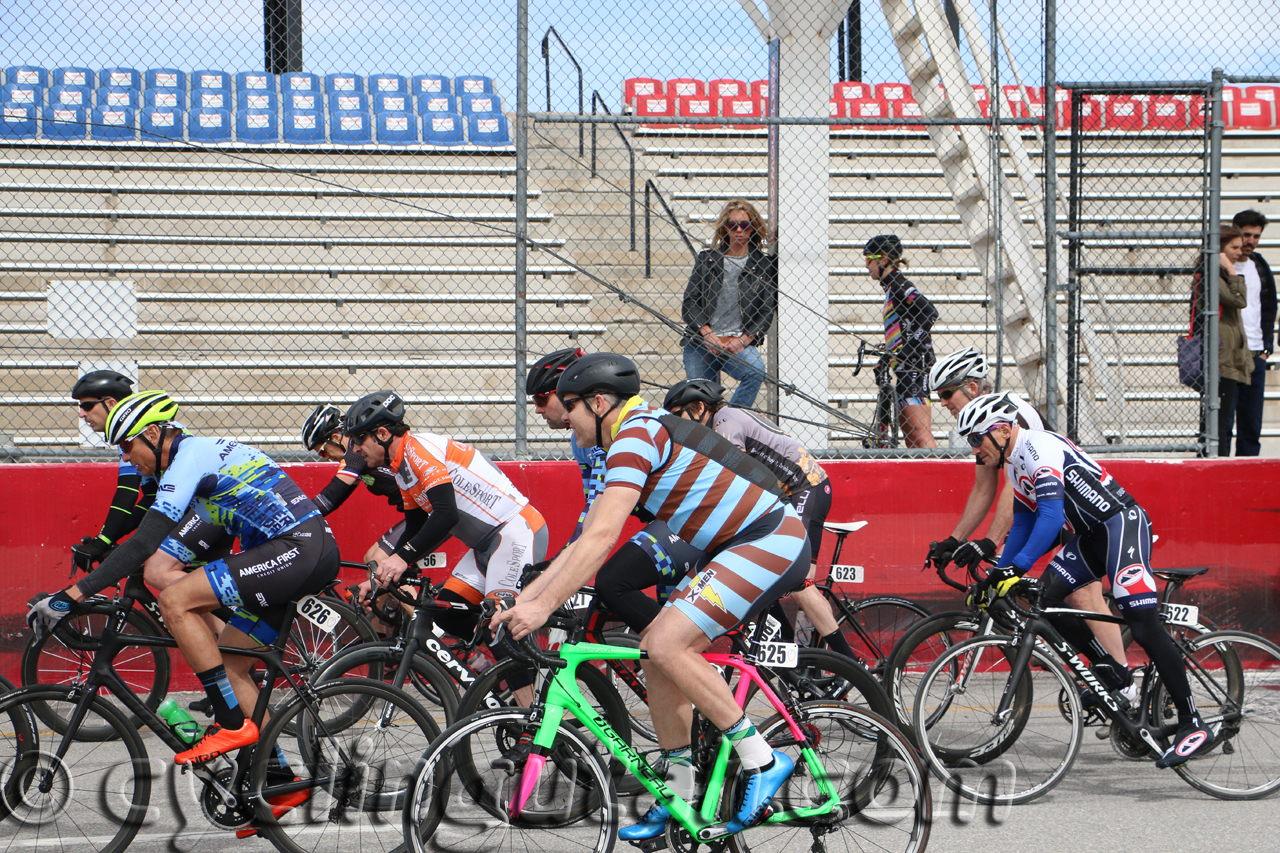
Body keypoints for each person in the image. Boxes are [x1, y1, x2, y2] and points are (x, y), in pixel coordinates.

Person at [495, 353, 809, 840]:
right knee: (654, 651)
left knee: (667, 644)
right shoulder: (630, 434)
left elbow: (601, 539)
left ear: (599, 403)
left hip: (769, 537)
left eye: (570, 407)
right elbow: (585, 539)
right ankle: (681, 791)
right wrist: (527, 598)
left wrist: (541, 608)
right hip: (732, 544)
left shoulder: (635, 436)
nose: (564, 418)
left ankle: (761, 760)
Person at [27, 390, 341, 767]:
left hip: (296, 549)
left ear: (155, 434)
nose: (125, 457)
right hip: (298, 550)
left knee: (175, 600)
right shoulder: (191, 466)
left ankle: (228, 723)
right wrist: (109, 554)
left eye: (128, 445)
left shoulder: (189, 459)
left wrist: (69, 597)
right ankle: (275, 778)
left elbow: (145, 540)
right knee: (231, 664)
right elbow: (158, 537)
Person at [956, 393, 1210, 769]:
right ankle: (1116, 675)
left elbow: (1051, 517)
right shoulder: (1014, 464)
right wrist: (999, 573)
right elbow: (1024, 522)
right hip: (1092, 537)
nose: (974, 451)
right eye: (969, 443)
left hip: (1122, 525)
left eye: (977, 440)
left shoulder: (1040, 448)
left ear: (1004, 430)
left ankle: (1193, 721)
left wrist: (1018, 567)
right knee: (1045, 601)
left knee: (1141, 622)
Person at [925, 348, 1129, 673]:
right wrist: (954, 539)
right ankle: (1072, 655)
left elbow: (1013, 488)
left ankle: (1119, 678)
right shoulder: (980, 430)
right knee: (1016, 586)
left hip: (1070, 509)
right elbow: (984, 488)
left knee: (1084, 598)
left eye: (947, 393)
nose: (943, 402)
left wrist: (990, 542)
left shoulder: (1008, 415)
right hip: (1041, 512)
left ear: (972, 388)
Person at [662, 378, 858, 660]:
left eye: (677, 415)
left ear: (699, 407)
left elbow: (735, 474)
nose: (677, 425)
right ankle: (793, 646)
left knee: (799, 581)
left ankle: (847, 662)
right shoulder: (722, 421)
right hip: (786, 494)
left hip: (805, 487)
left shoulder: (725, 421)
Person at [527, 349, 706, 630]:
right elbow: (592, 511)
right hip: (674, 524)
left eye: (542, 398)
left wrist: (545, 588)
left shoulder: (612, 437)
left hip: (693, 525)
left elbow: (597, 529)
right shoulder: (583, 440)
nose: (537, 408)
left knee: (620, 590)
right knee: (657, 635)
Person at [346, 391, 547, 611]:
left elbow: (445, 514)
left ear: (383, 434)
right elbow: (416, 525)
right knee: (448, 616)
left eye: (359, 438)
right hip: (485, 547)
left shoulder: (419, 450)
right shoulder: (401, 469)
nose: (354, 448)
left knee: (498, 627)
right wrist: (381, 578)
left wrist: (401, 558)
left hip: (515, 532)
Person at [681, 199, 777, 408]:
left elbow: (766, 310)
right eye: (733, 225)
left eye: (745, 225)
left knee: (755, 372)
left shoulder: (762, 265)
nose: (739, 230)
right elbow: (690, 303)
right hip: (702, 342)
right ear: (726, 228)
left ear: (753, 229)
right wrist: (707, 334)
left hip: (738, 342)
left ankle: (730, 420)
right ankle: (707, 434)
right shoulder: (708, 259)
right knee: (700, 403)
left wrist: (744, 340)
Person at [68, 370, 151, 571]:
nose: (81, 413)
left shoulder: (140, 431)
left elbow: (127, 492)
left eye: (87, 405)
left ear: (112, 404)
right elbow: (151, 498)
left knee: (158, 571)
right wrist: (105, 539)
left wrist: (103, 541)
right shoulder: (128, 430)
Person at [865, 234, 937, 448]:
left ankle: (938, 481)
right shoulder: (890, 288)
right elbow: (902, 330)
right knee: (911, 438)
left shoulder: (899, 285)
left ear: (884, 259)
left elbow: (929, 311)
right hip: (904, 367)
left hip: (915, 366)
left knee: (920, 435)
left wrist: (910, 348)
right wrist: (886, 359)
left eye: (869, 259)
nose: (866, 265)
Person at [1191, 225, 1251, 457]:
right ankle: (1215, 464)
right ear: (1220, 250)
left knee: (1223, 420)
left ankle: (1215, 460)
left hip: (1229, 356)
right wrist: (1232, 271)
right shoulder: (1212, 274)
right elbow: (1239, 300)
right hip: (1220, 357)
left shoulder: (1221, 274)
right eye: (1233, 247)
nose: (1240, 251)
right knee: (1219, 423)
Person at [1228, 210, 1276, 456]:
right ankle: (1217, 471)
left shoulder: (1260, 264)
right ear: (1235, 230)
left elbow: (1268, 308)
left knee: (1251, 423)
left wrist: (1266, 349)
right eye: (1246, 234)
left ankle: (1246, 471)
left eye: (1256, 236)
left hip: (1256, 354)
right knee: (1222, 423)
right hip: (1227, 355)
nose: (1251, 241)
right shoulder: (1220, 264)